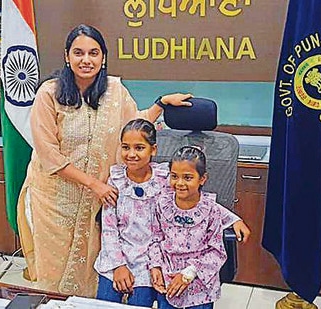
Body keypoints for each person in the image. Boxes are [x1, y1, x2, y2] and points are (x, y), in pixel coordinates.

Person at [16, 23, 193, 297]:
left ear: (103, 57)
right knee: (54, 270)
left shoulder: (115, 91)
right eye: (78, 53)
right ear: (67, 56)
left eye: (93, 53)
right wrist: (93, 185)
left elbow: (135, 125)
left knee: (89, 270)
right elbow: (48, 153)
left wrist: (161, 103)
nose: (86, 60)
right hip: (54, 200)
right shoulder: (48, 93)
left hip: (95, 201)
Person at [149, 146, 251, 309]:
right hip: (169, 282)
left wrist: (189, 273)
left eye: (188, 177)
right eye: (174, 176)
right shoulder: (162, 204)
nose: (180, 183)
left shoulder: (210, 210)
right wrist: (155, 266)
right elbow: (155, 239)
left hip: (199, 287)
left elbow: (217, 252)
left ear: (202, 179)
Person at [94, 118, 170, 307]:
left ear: (153, 149)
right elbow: (109, 229)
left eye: (139, 148)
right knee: (105, 303)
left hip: (149, 260)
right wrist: (119, 266)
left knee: (139, 302)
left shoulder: (166, 181)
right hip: (116, 256)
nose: (131, 154)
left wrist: (156, 264)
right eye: (126, 147)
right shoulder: (115, 181)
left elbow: (192, 207)